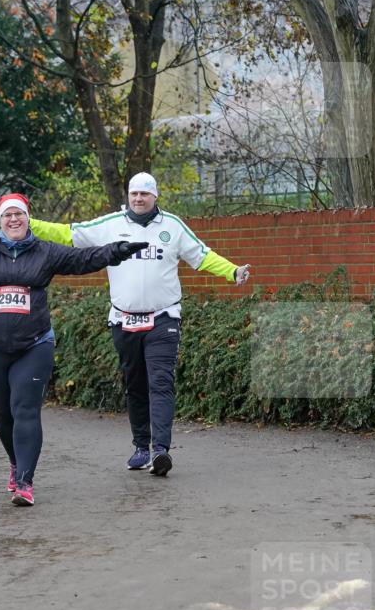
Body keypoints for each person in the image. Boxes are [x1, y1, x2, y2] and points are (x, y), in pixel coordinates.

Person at [0, 194, 147, 507]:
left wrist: (117, 251)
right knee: (4, 414)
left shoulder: (45, 252)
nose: (14, 219)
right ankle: (15, 463)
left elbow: (83, 259)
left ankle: (25, 483)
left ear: (28, 217)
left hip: (35, 344)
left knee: (25, 410)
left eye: (19, 214)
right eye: (8, 215)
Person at [30, 173, 251, 476]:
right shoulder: (111, 224)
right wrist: (26, 222)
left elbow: (201, 256)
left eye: (145, 194)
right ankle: (140, 448)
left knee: (160, 382)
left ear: (155, 197)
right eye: (134, 194)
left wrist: (233, 271)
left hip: (164, 318)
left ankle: (161, 450)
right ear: (129, 196)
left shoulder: (172, 227)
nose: (138, 199)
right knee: (135, 385)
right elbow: (70, 233)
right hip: (124, 319)